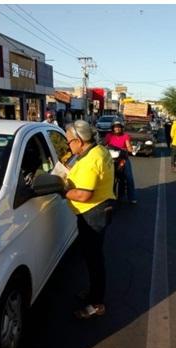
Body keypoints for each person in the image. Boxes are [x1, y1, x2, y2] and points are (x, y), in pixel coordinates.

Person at [64, 120, 115, 319]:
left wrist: (63, 190)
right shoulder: (98, 150)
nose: (68, 145)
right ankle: (94, 291)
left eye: (69, 142)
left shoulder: (90, 160)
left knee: (94, 259)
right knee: (92, 256)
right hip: (100, 209)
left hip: (93, 213)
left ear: (79, 140)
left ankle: (96, 304)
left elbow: (83, 195)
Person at [104, 120, 137, 204]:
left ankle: (132, 197)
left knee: (129, 178)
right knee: (107, 178)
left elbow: (128, 146)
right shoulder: (109, 136)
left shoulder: (126, 136)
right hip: (111, 160)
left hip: (123, 159)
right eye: (115, 127)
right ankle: (108, 196)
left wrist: (131, 149)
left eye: (119, 127)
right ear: (113, 128)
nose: (117, 129)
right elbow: (103, 145)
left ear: (121, 128)